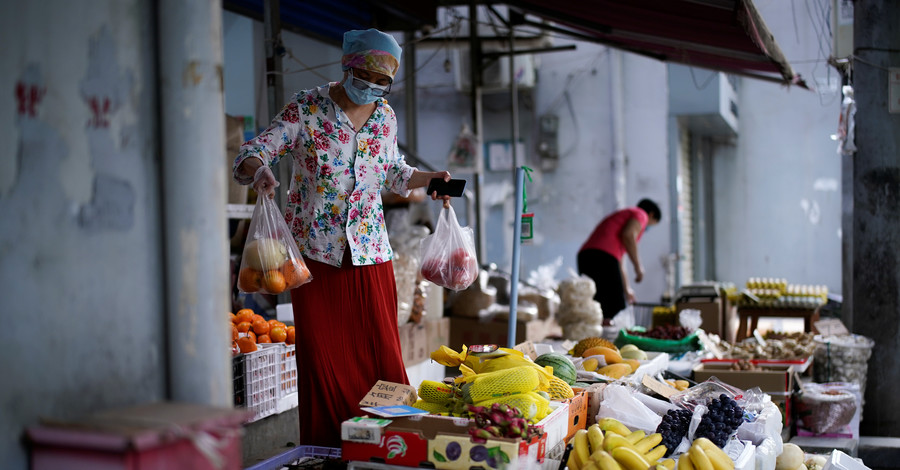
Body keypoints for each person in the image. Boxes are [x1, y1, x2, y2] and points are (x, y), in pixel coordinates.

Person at [233, 28, 452, 447]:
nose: (373, 85)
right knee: (323, 361)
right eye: (366, 74)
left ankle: (389, 445)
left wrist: (431, 178)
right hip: (316, 257)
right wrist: (261, 169)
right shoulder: (306, 108)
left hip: (370, 254)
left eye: (384, 79)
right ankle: (330, 449)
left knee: (381, 355)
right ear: (347, 66)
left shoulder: (385, 116)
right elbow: (252, 151)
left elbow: (395, 172)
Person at [577, 199, 661, 322]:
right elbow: (628, 234)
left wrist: (626, 288)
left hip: (586, 256)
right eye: (652, 224)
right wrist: (638, 267)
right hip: (602, 257)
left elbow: (619, 262)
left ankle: (595, 340)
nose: (647, 228)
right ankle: (611, 340)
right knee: (615, 308)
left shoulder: (623, 216)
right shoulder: (641, 214)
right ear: (652, 215)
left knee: (597, 307)